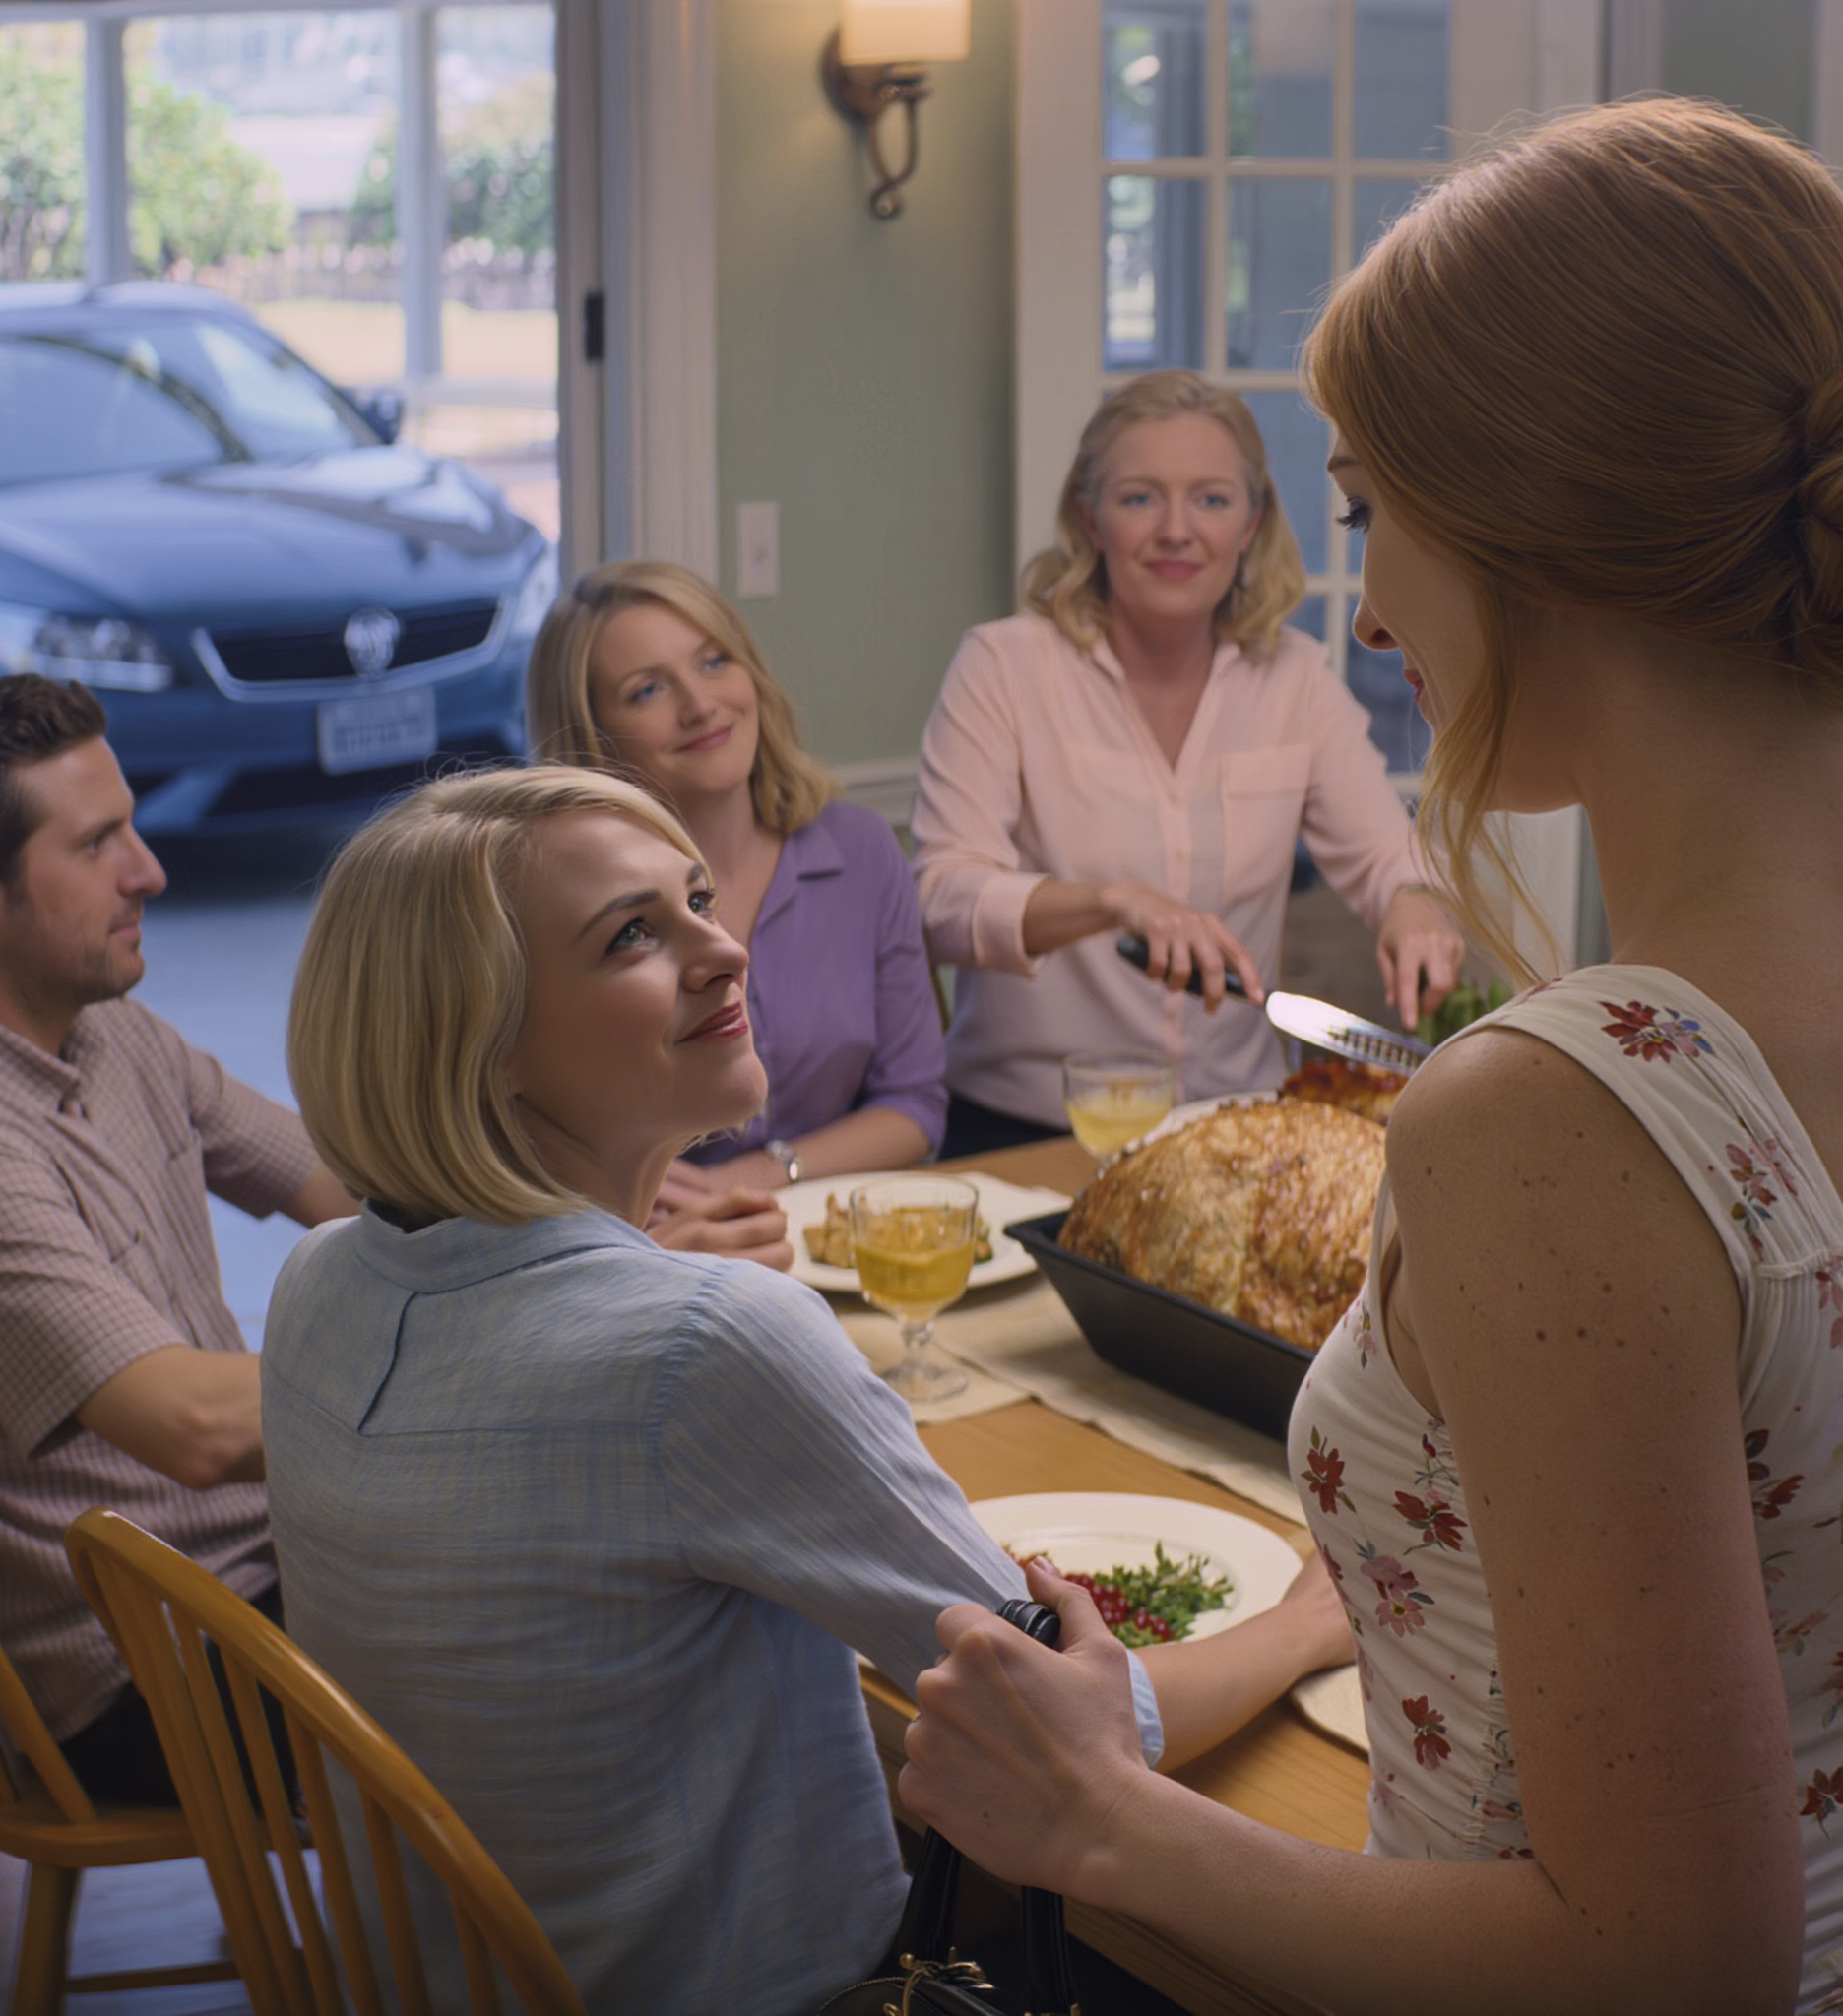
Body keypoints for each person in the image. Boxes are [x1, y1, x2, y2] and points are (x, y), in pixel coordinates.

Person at [898, 99, 1843, 2015]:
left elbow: (1670, 1958)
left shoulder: (1564, 1120)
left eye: (1358, 508)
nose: (1368, 591)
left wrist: (1092, 1814)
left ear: (1534, 521)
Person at [259, 764, 1346, 2015]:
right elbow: (1087, 1727)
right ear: (480, 1041)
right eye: (631, 934)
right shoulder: (704, 1341)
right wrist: (1310, 1620)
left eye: (697, 900)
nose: (723, 948)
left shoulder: (318, 1277)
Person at [0, 675, 352, 1804]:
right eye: (100, 840)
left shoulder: (104, 1024)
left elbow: (342, 1184)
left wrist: (577, 1230)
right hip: (149, 1668)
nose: (150, 870)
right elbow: (198, 1426)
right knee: (569, 1648)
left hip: (269, 1566)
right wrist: (496, 1371)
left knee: (603, 1574)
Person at [911, 371, 1465, 1155]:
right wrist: (1115, 901)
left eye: (1210, 499)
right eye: (1140, 498)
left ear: (1252, 523)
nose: (1177, 530)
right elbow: (941, 899)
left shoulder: (1295, 680)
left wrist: (1413, 899)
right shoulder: (1003, 667)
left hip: (1225, 1128)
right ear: (1089, 518)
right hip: (1025, 1133)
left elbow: (1385, 852)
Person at [530, 561, 946, 1266]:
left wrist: (753, 1178)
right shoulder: (560, 906)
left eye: (713, 661)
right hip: (645, 1258)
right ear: (593, 738)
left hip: (841, 1248)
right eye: (649, 690)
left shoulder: (862, 851)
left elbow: (915, 1106)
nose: (700, 705)